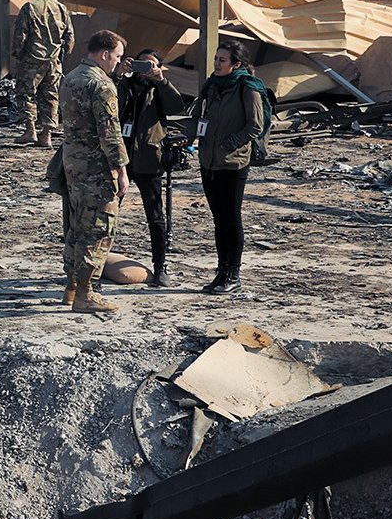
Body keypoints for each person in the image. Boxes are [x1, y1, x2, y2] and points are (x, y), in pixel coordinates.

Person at [59, 30, 130, 315]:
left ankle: (71, 287)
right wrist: (122, 170)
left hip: (73, 164)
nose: (118, 62)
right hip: (96, 168)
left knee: (77, 226)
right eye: (117, 56)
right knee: (99, 229)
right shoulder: (101, 86)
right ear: (104, 54)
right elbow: (110, 133)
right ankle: (86, 294)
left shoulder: (72, 77)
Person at [195, 41, 268, 295]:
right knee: (218, 219)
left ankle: (233, 274)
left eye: (222, 60)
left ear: (236, 64)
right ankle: (221, 269)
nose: (216, 63)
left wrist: (230, 143)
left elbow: (255, 125)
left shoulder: (247, 88)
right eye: (216, 58)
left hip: (233, 162)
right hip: (209, 160)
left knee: (231, 217)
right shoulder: (212, 86)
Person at [118, 49, 187, 288]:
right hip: (120, 159)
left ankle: (161, 266)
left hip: (150, 159)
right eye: (140, 64)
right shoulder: (122, 86)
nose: (143, 71)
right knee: (107, 213)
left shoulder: (159, 89)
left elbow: (177, 107)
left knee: (156, 217)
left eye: (150, 66)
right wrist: (119, 76)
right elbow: (108, 107)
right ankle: (94, 265)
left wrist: (161, 81)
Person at [13, 0, 74, 147]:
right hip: (53, 60)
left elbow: (20, 35)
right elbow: (70, 36)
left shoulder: (29, 7)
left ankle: (30, 129)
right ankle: (46, 134)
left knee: (26, 94)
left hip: (32, 59)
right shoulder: (61, 8)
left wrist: (18, 54)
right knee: (51, 96)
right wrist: (64, 53)